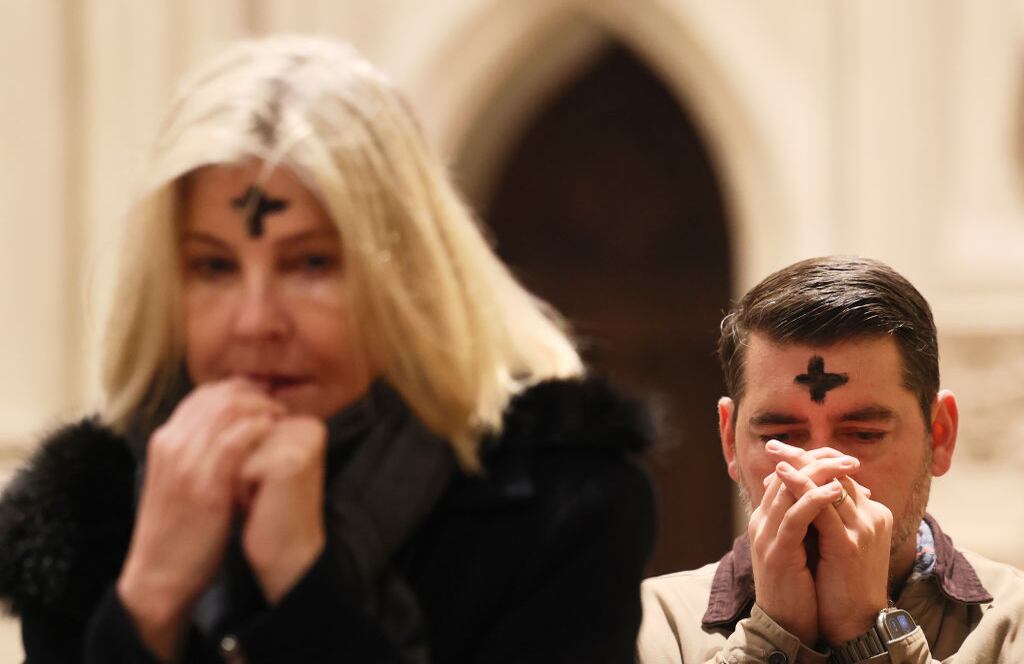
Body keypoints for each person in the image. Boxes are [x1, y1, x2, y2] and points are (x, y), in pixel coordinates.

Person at [0, 36, 656, 663]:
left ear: (410, 273)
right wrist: (148, 600)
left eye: (311, 263)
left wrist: (298, 580)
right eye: (213, 267)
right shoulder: (87, 512)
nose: (256, 323)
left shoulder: (563, 502)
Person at [637, 256, 1024, 663]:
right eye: (779, 437)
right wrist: (772, 635)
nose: (818, 472)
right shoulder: (643, 628)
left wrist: (871, 633)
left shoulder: (1013, 625)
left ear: (940, 436)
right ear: (730, 441)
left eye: (863, 434)